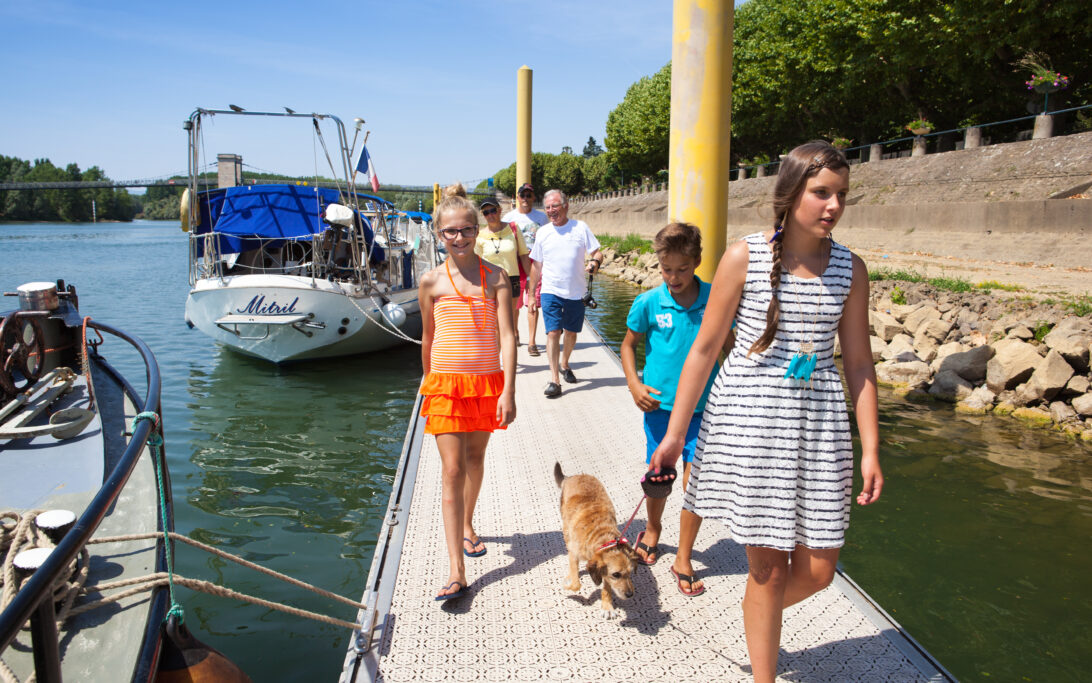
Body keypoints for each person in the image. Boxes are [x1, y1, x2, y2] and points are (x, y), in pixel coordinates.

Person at [649, 141, 883, 682]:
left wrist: (871, 448)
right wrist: (674, 434)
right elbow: (705, 349)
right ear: (791, 192)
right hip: (751, 422)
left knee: (820, 571)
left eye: (842, 195)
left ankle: (758, 610)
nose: (834, 206)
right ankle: (764, 673)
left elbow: (860, 365)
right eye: (822, 193)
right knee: (769, 567)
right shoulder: (745, 256)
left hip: (821, 425)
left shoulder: (852, 268)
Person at [418, 184, 517, 601]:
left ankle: (467, 523)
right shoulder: (430, 282)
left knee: (476, 459)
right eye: (450, 232)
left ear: (478, 230)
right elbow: (428, 337)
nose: (459, 238)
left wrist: (508, 391)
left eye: (466, 230)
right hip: (445, 386)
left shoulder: (495, 278)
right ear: (438, 234)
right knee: (452, 470)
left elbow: (509, 337)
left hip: (484, 384)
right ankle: (457, 571)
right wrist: (426, 387)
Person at [620, 222, 721, 571]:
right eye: (667, 269)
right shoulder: (648, 302)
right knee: (660, 477)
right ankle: (652, 528)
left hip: (705, 409)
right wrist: (635, 383)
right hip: (660, 407)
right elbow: (629, 345)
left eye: (682, 269)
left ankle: (684, 553)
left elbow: (732, 348)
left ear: (697, 262)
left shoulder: (716, 299)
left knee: (697, 482)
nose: (674, 277)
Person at [526, 189, 603, 398]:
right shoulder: (543, 232)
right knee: (553, 332)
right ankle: (554, 379)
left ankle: (565, 363)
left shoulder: (580, 228)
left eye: (555, 206)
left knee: (570, 332)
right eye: (548, 207)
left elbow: (597, 252)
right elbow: (536, 266)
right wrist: (532, 294)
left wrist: (595, 262)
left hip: (576, 292)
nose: (551, 211)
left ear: (566, 206)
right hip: (551, 290)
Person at [475, 197, 532, 346]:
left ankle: (508, 358)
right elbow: (476, 264)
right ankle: (497, 362)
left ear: (499, 210)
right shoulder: (480, 236)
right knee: (495, 324)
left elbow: (524, 256)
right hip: (490, 282)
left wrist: (531, 280)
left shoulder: (513, 228)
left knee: (509, 320)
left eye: (493, 210)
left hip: (512, 279)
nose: (490, 215)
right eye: (486, 212)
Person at [502, 183, 548, 356]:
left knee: (533, 301)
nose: (526, 199)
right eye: (523, 195)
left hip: (535, 264)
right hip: (514, 264)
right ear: (517, 198)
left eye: (529, 195)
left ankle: (532, 342)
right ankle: (515, 333)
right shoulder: (508, 218)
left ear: (534, 198)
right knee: (515, 303)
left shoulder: (542, 218)